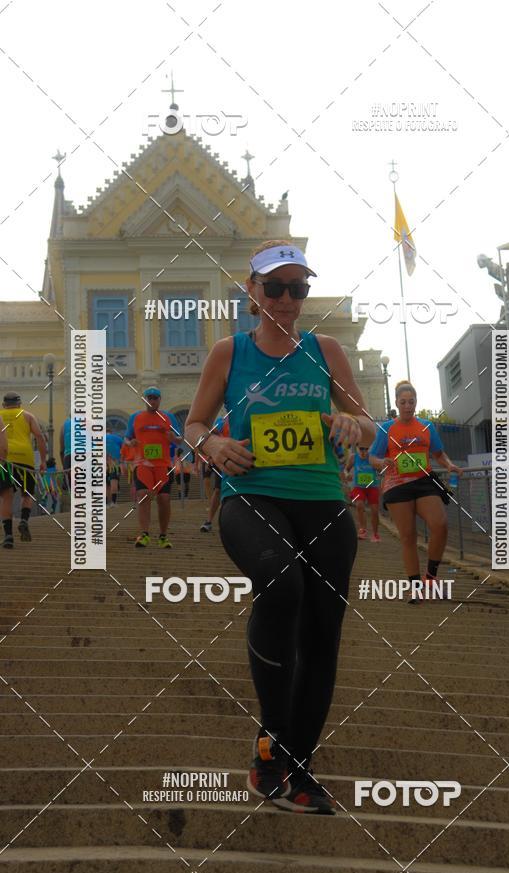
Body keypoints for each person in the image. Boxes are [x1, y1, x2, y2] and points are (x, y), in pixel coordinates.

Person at [185, 239, 375, 815]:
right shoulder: (229, 351)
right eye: (275, 287)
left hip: (321, 500)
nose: (287, 299)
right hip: (252, 495)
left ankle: (298, 767)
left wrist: (353, 425)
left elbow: (367, 422)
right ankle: (270, 748)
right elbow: (194, 423)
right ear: (253, 291)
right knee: (281, 583)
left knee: (322, 634)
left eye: (298, 288)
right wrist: (213, 445)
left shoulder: (326, 349)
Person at [370, 380, 462, 602]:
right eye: (403, 402)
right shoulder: (386, 428)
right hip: (396, 484)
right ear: (396, 403)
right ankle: (415, 587)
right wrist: (382, 462)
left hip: (423, 481)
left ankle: (431, 577)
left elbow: (438, 454)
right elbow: (372, 457)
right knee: (408, 536)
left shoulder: (427, 426)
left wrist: (449, 465)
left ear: (416, 402)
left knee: (440, 525)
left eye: (411, 402)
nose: (408, 406)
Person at [124, 388, 181, 548]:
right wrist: (130, 443)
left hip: (163, 464)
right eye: (149, 398)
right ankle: (144, 534)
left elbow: (180, 439)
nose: (152, 401)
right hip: (142, 463)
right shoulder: (135, 417)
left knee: (164, 499)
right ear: (145, 400)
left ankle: (163, 536)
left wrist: (174, 438)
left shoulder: (168, 417)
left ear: (160, 399)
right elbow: (126, 438)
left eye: (155, 398)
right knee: (143, 495)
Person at [0, 391, 47, 548]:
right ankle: (24, 520)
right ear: (19, 404)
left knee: (6, 497)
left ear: (4, 404)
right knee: (27, 494)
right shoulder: (27, 416)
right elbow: (40, 437)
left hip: (5, 459)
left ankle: (8, 536)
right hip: (25, 459)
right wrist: (43, 461)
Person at [345, 444, 381, 541]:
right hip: (358, 487)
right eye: (361, 449)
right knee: (359, 505)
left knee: (374, 511)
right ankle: (363, 530)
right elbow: (346, 469)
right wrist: (347, 474)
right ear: (357, 448)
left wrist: (378, 465)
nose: (364, 452)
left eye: (366, 449)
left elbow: (380, 470)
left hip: (372, 487)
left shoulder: (372, 457)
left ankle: (375, 533)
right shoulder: (353, 457)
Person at [200, 417, 229, 533]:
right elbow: (211, 435)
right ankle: (209, 521)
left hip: (240, 458)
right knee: (217, 490)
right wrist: (211, 455)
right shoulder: (222, 421)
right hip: (223, 460)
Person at [106, 432, 123, 506]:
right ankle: (113, 502)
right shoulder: (117, 438)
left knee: (106, 485)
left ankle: (106, 503)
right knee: (114, 482)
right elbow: (124, 448)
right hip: (114, 464)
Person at [59, 415, 72, 490]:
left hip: (68, 457)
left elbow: (61, 449)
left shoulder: (64, 425)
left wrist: (64, 466)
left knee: (69, 486)